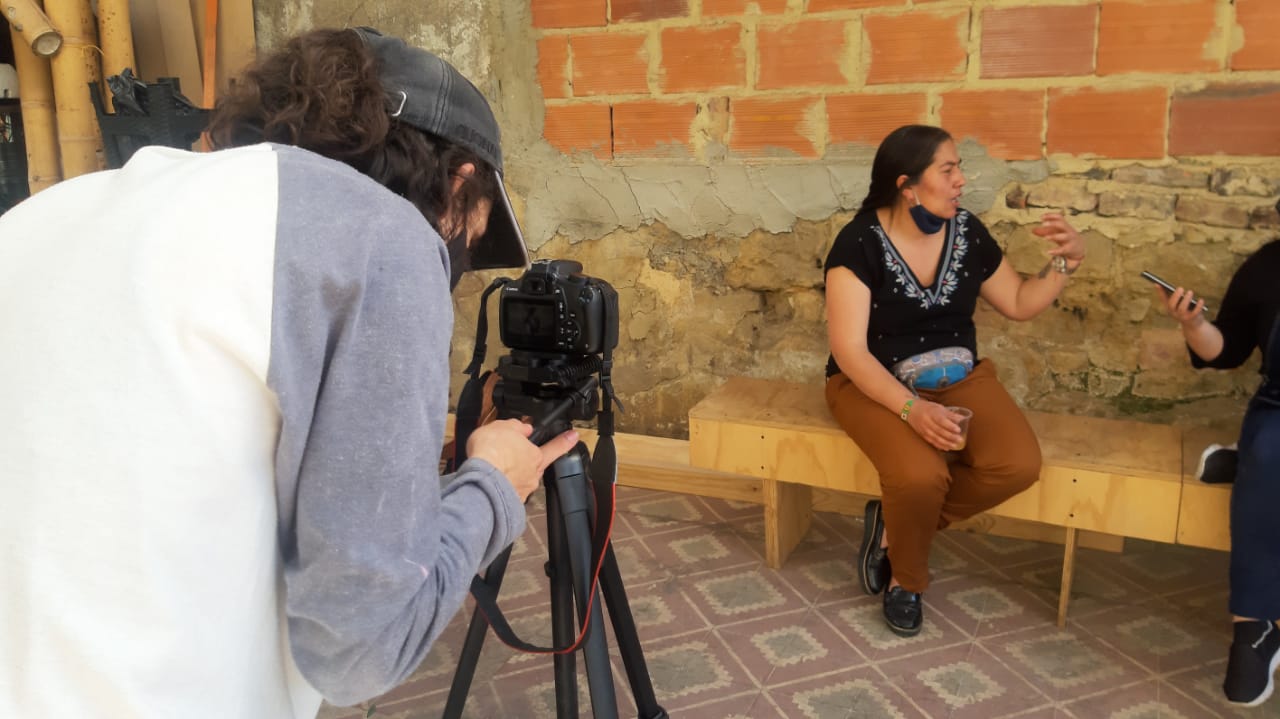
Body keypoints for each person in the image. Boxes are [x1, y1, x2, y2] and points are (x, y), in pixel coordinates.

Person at [0, 27, 579, 717]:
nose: (455, 264)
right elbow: (361, 649)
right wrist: (494, 486)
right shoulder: (385, 237)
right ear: (458, 185)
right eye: (472, 241)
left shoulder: (51, 211)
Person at [823, 125, 1086, 636]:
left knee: (1017, 465)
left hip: (959, 377)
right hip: (872, 384)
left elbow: (1018, 302)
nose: (961, 180)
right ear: (907, 186)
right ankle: (906, 581)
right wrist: (912, 409)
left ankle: (895, 528)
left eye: (958, 168)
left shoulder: (967, 232)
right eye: (948, 170)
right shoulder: (858, 244)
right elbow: (850, 351)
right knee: (920, 478)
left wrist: (1064, 263)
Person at [1157, 235, 1280, 707]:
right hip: (1279, 409)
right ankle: (1253, 629)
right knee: (1268, 454)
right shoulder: (1268, 264)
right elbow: (1226, 351)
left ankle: (1243, 460)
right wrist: (1193, 324)